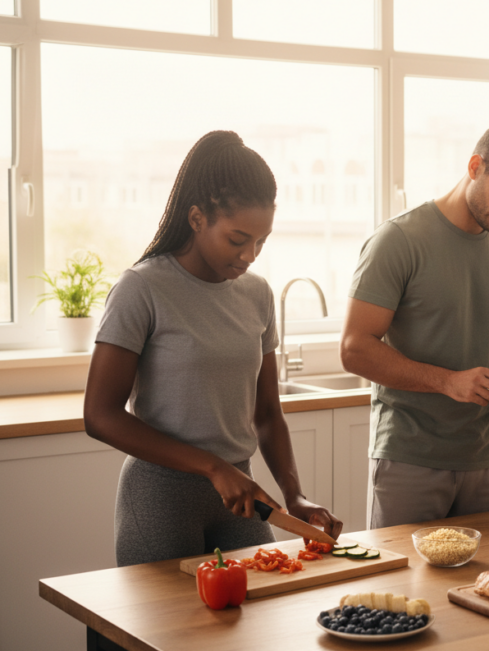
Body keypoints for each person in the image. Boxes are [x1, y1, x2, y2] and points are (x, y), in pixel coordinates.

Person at [83, 131, 343, 618]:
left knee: (250, 643)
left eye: (261, 242)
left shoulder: (257, 295)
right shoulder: (141, 289)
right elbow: (99, 415)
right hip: (160, 497)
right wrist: (211, 466)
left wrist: (296, 495)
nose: (248, 256)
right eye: (238, 239)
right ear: (197, 218)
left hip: (239, 497)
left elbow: (268, 413)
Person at [341, 118, 489, 529]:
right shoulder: (398, 241)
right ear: (476, 166)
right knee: (403, 590)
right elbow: (354, 348)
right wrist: (448, 381)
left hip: (486, 457)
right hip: (409, 456)